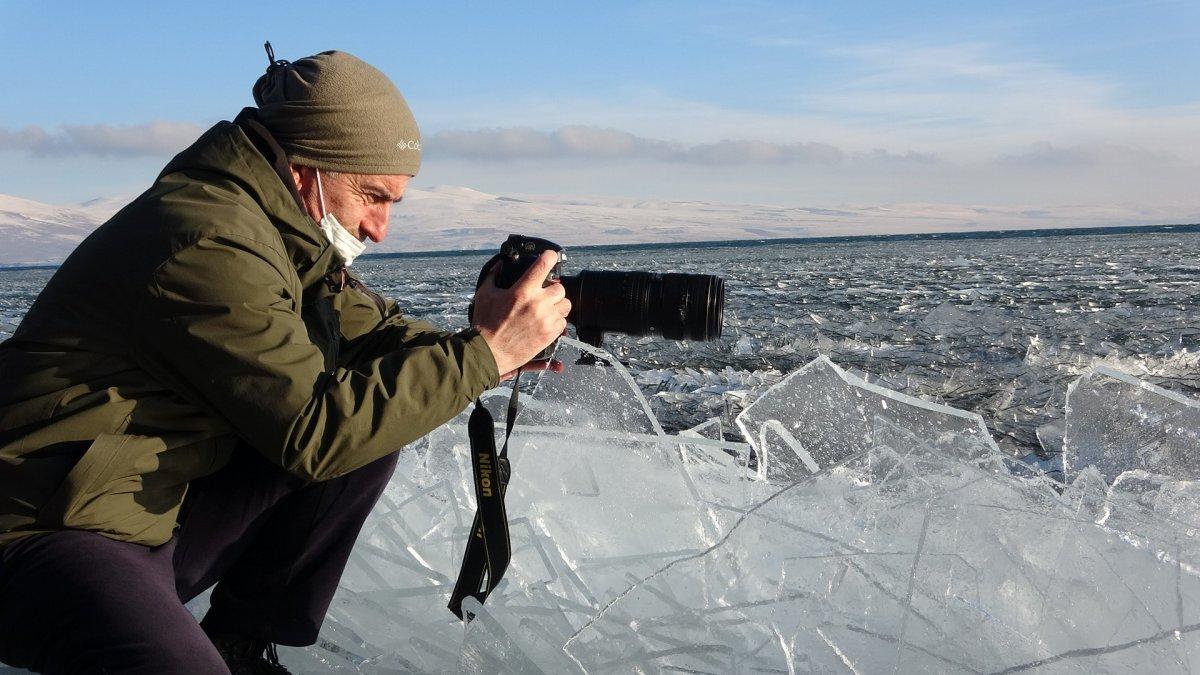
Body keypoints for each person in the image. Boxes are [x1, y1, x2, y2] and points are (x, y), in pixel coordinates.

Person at [0, 47, 569, 674]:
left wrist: (492, 341)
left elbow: (372, 335)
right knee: (347, 423)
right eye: (372, 196)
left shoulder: (280, 240)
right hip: (40, 534)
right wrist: (483, 355)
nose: (379, 228)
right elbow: (316, 432)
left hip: (140, 515)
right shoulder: (205, 239)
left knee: (375, 413)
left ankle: (241, 641)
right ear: (307, 169)